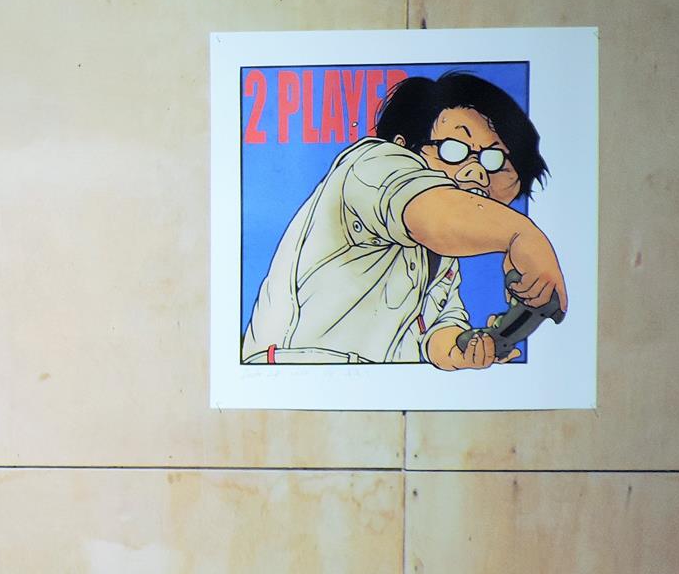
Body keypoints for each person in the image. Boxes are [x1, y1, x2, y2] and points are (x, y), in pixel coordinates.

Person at [241, 71, 565, 369]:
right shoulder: (372, 164)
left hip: (376, 387)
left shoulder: (445, 254)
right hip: (296, 372)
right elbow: (434, 212)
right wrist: (521, 236)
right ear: (404, 147)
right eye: (453, 150)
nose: (477, 172)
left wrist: (470, 347)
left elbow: (438, 331)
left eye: (493, 159)